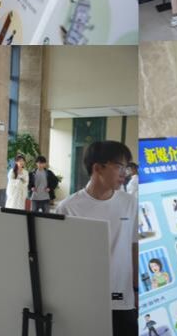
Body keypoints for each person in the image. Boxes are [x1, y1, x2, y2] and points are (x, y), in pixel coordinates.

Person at [56, 141, 137, 336]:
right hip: (84, 300)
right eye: (119, 166)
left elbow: (134, 246)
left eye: (126, 167)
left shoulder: (130, 203)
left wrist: (136, 289)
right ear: (97, 168)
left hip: (122, 299)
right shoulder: (68, 207)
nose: (124, 173)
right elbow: (62, 259)